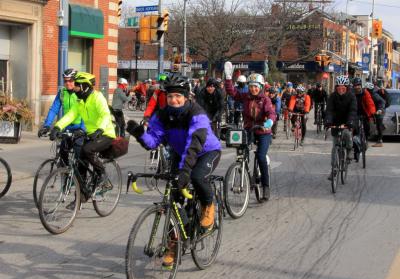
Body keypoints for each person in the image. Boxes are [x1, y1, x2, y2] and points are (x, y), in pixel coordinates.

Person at [126, 72, 221, 267]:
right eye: (170, 96)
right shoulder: (162, 115)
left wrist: (184, 171)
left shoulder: (196, 113)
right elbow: (153, 141)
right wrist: (138, 133)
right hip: (180, 152)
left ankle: (208, 207)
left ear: (186, 96)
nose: (174, 100)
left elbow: (195, 143)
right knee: (174, 201)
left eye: (178, 96)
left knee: (196, 177)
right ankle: (175, 244)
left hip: (205, 152)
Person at [51, 72, 116, 193]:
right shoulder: (80, 101)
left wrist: (100, 129)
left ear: (85, 86)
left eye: (77, 84)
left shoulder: (97, 97)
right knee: (80, 163)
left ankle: (103, 176)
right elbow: (71, 115)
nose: (74, 86)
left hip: (105, 133)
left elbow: (105, 115)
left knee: (87, 150)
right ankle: (82, 196)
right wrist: (57, 127)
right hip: (91, 134)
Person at [224, 62, 276, 201]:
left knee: (260, 156)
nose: (253, 89)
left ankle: (266, 186)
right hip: (249, 129)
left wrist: (269, 123)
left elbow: (271, 113)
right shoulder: (245, 96)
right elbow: (232, 92)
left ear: (260, 88)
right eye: (251, 86)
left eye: (255, 87)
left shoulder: (265, 100)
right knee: (241, 150)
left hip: (263, 131)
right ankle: (243, 170)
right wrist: (228, 78)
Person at [38, 68, 85, 164]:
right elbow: (54, 109)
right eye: (66, 81)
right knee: (63, 155)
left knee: (79, 158)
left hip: (80, 129)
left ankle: (81, 177)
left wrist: (83, 129)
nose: (68, 83)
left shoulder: (81, 93)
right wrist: (47, 125)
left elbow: (86, 112)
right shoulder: (62, 93)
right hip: (67, 128)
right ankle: (67, 176)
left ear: (76, 80)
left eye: (71, 80)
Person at [325, 75, 357, 179]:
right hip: (336, 122)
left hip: (347, 121)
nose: (341, 90)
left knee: (347, 134)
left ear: (347, 88)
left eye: (343, 88)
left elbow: (352, 111)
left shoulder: (351, 97)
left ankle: (349, 149)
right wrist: (328, 122)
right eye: (339, 88)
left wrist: (350, 122)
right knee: (335, 147)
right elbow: (329, 110)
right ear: (336, 88)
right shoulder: (332, 96)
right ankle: (334, 169)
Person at [351, 77, 376, 159]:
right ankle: (355, 147)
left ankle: (365, 139)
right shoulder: (351, 93)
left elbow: (370, 103)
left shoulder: (365, 93)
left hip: (364, 114)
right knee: (354, 129)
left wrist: (372, 113)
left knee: (366, 127)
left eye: (358, 85)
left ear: (361, 85)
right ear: (353, 86)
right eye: (355, 85)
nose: (357, 87)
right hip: (354, 114)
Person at [364, 82, 386, 147]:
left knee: (378, 126)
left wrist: (380, 109)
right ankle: (382, 126)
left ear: (368, 89)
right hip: (377, 110)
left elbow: (382, 102)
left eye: (366, 89)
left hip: (380, 111)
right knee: (378, 125)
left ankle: (380, 141)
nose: (365, 90)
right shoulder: (371, 93)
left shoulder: (374, 95)